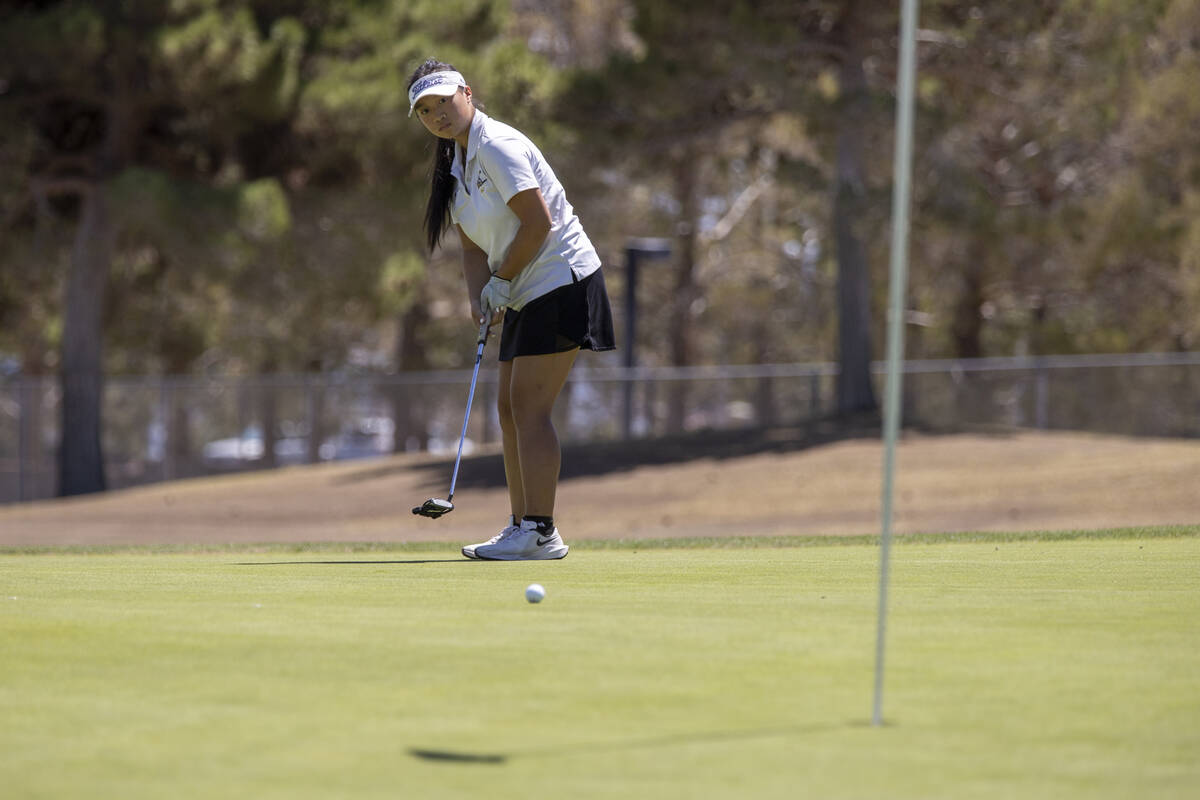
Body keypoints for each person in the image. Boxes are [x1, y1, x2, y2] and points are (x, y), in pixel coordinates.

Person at [407, 58, 616, 561]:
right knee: (508, 410)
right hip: (522, 287)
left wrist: (501, 283)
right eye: (425, 110)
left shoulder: (498, 145)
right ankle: (522, 524)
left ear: (468, 94)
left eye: (444, 102)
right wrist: (481, 299)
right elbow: (473, 248)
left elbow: (537, 223)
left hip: (561, 279)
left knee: (529, 409)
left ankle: (541, 532)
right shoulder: (454, 168)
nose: (438, 114)